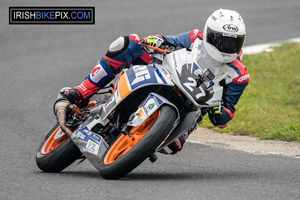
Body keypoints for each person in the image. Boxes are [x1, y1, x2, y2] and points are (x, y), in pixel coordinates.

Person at [57, 8, 249, 154]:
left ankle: (146, 136)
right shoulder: (195, 38)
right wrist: (153, 41)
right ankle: (82, 91)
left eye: (233, 42)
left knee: (173, 145)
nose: (227, 46)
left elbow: (225, 117)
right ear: (209, 34)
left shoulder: (239, 75)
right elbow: (167, 41)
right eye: (222, 40)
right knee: (127, 44)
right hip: (172, 77)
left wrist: (218, 110)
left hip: (192, 110)